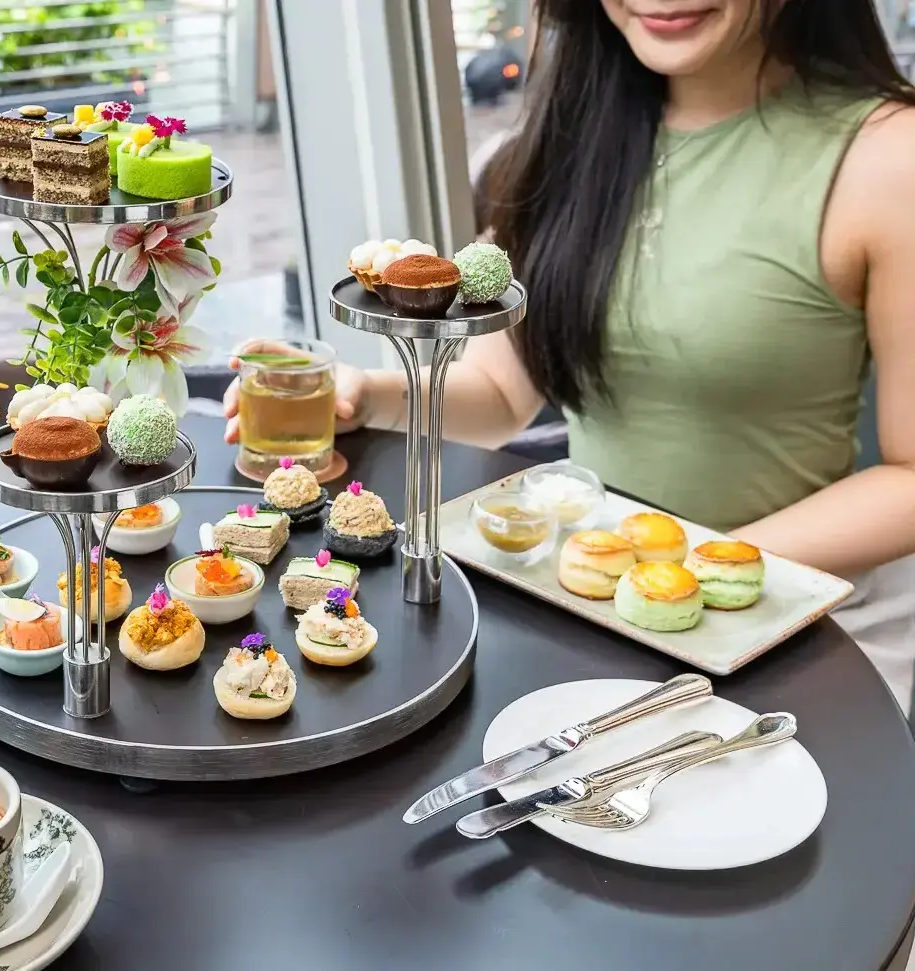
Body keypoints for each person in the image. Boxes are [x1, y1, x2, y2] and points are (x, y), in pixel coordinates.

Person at [226, 1, 915, 710]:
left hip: (798, 633)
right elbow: (501, 390)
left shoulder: (890, 154)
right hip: (589, 612)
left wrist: (686, 570)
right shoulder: (574, 138)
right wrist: (367, 395)